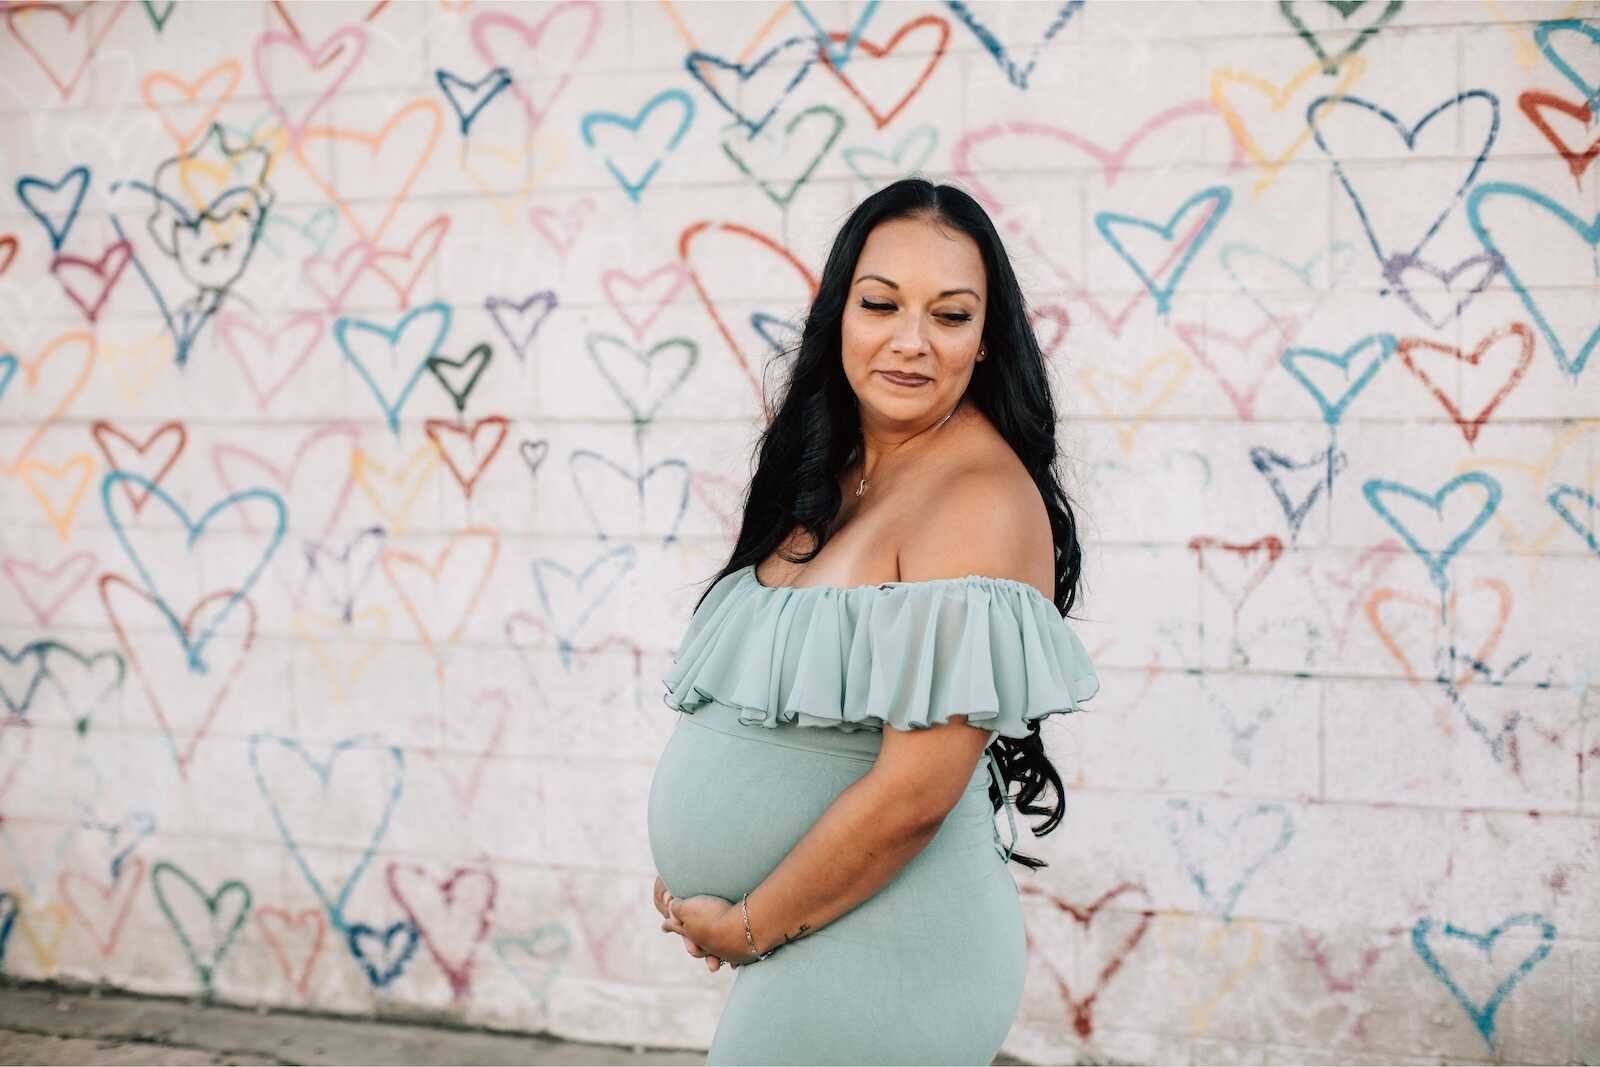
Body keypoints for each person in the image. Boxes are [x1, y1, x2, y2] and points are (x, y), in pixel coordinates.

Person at [646, 176, 1101, 1066]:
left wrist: (748, 922)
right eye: (881, 303)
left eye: (951, 315)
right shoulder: (837, 470)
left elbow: (914, 794)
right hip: (821, 934)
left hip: (892, 947)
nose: (910, 340)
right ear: (840, 315)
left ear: (986, 339)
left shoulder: (973, 498)